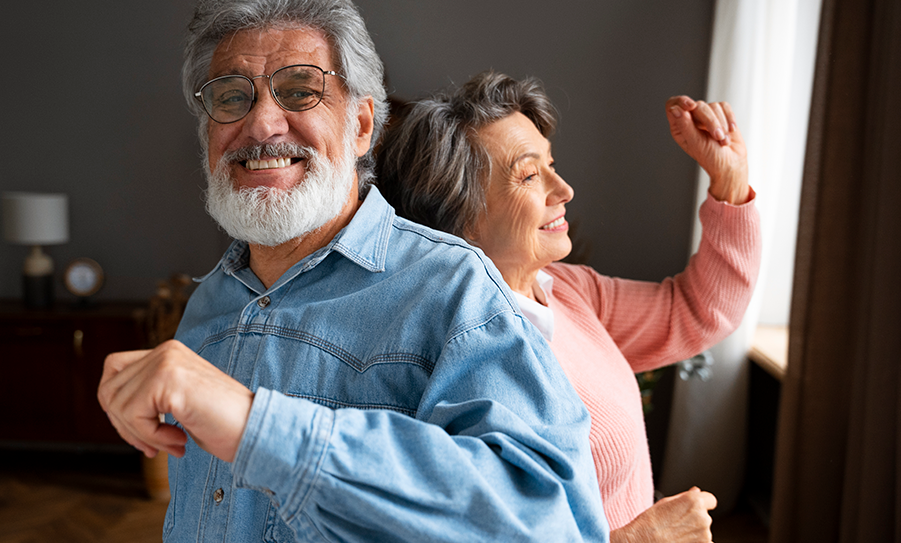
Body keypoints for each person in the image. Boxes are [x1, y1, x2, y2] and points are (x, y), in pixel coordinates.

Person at [97, 2, 610, 542]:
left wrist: (255, 426)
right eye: (231, 97)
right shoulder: (209, 307)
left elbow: (547, 520)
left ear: (362, 125)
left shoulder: (454, 287)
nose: (262, 123)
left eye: (299, 90)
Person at [376, 71, 761, 543]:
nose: (563, 190)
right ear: (457, 213)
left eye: (552, 164)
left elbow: (696, 310)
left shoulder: (565, 290)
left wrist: (729, 179)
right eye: (529, 175)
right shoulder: (446, 352)